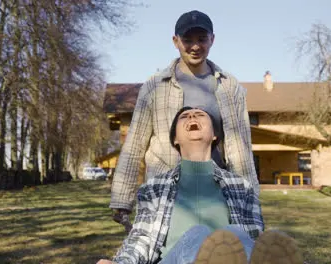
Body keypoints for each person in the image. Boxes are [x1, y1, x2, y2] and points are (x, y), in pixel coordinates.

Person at [110, 10, 259, 230]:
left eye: (202, 39)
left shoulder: (229, 87)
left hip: (215, 193)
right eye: (187, 40)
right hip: (163, 193)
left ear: (212, 39)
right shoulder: (155, 86)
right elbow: (135, 143)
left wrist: (250, 200)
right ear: (175, 41)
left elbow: (240, 147)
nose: (195, 46)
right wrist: (122, 199)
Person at [98, 107, 303, 264]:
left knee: (237, 233)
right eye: (185, 117)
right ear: (175, 139)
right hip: (175, 259)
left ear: (215, 135)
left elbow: (253, 238)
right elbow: (142, 239)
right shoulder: (153, 189)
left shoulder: (242, 187)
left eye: (200, 115)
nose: (193, 117)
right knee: (198, 234)